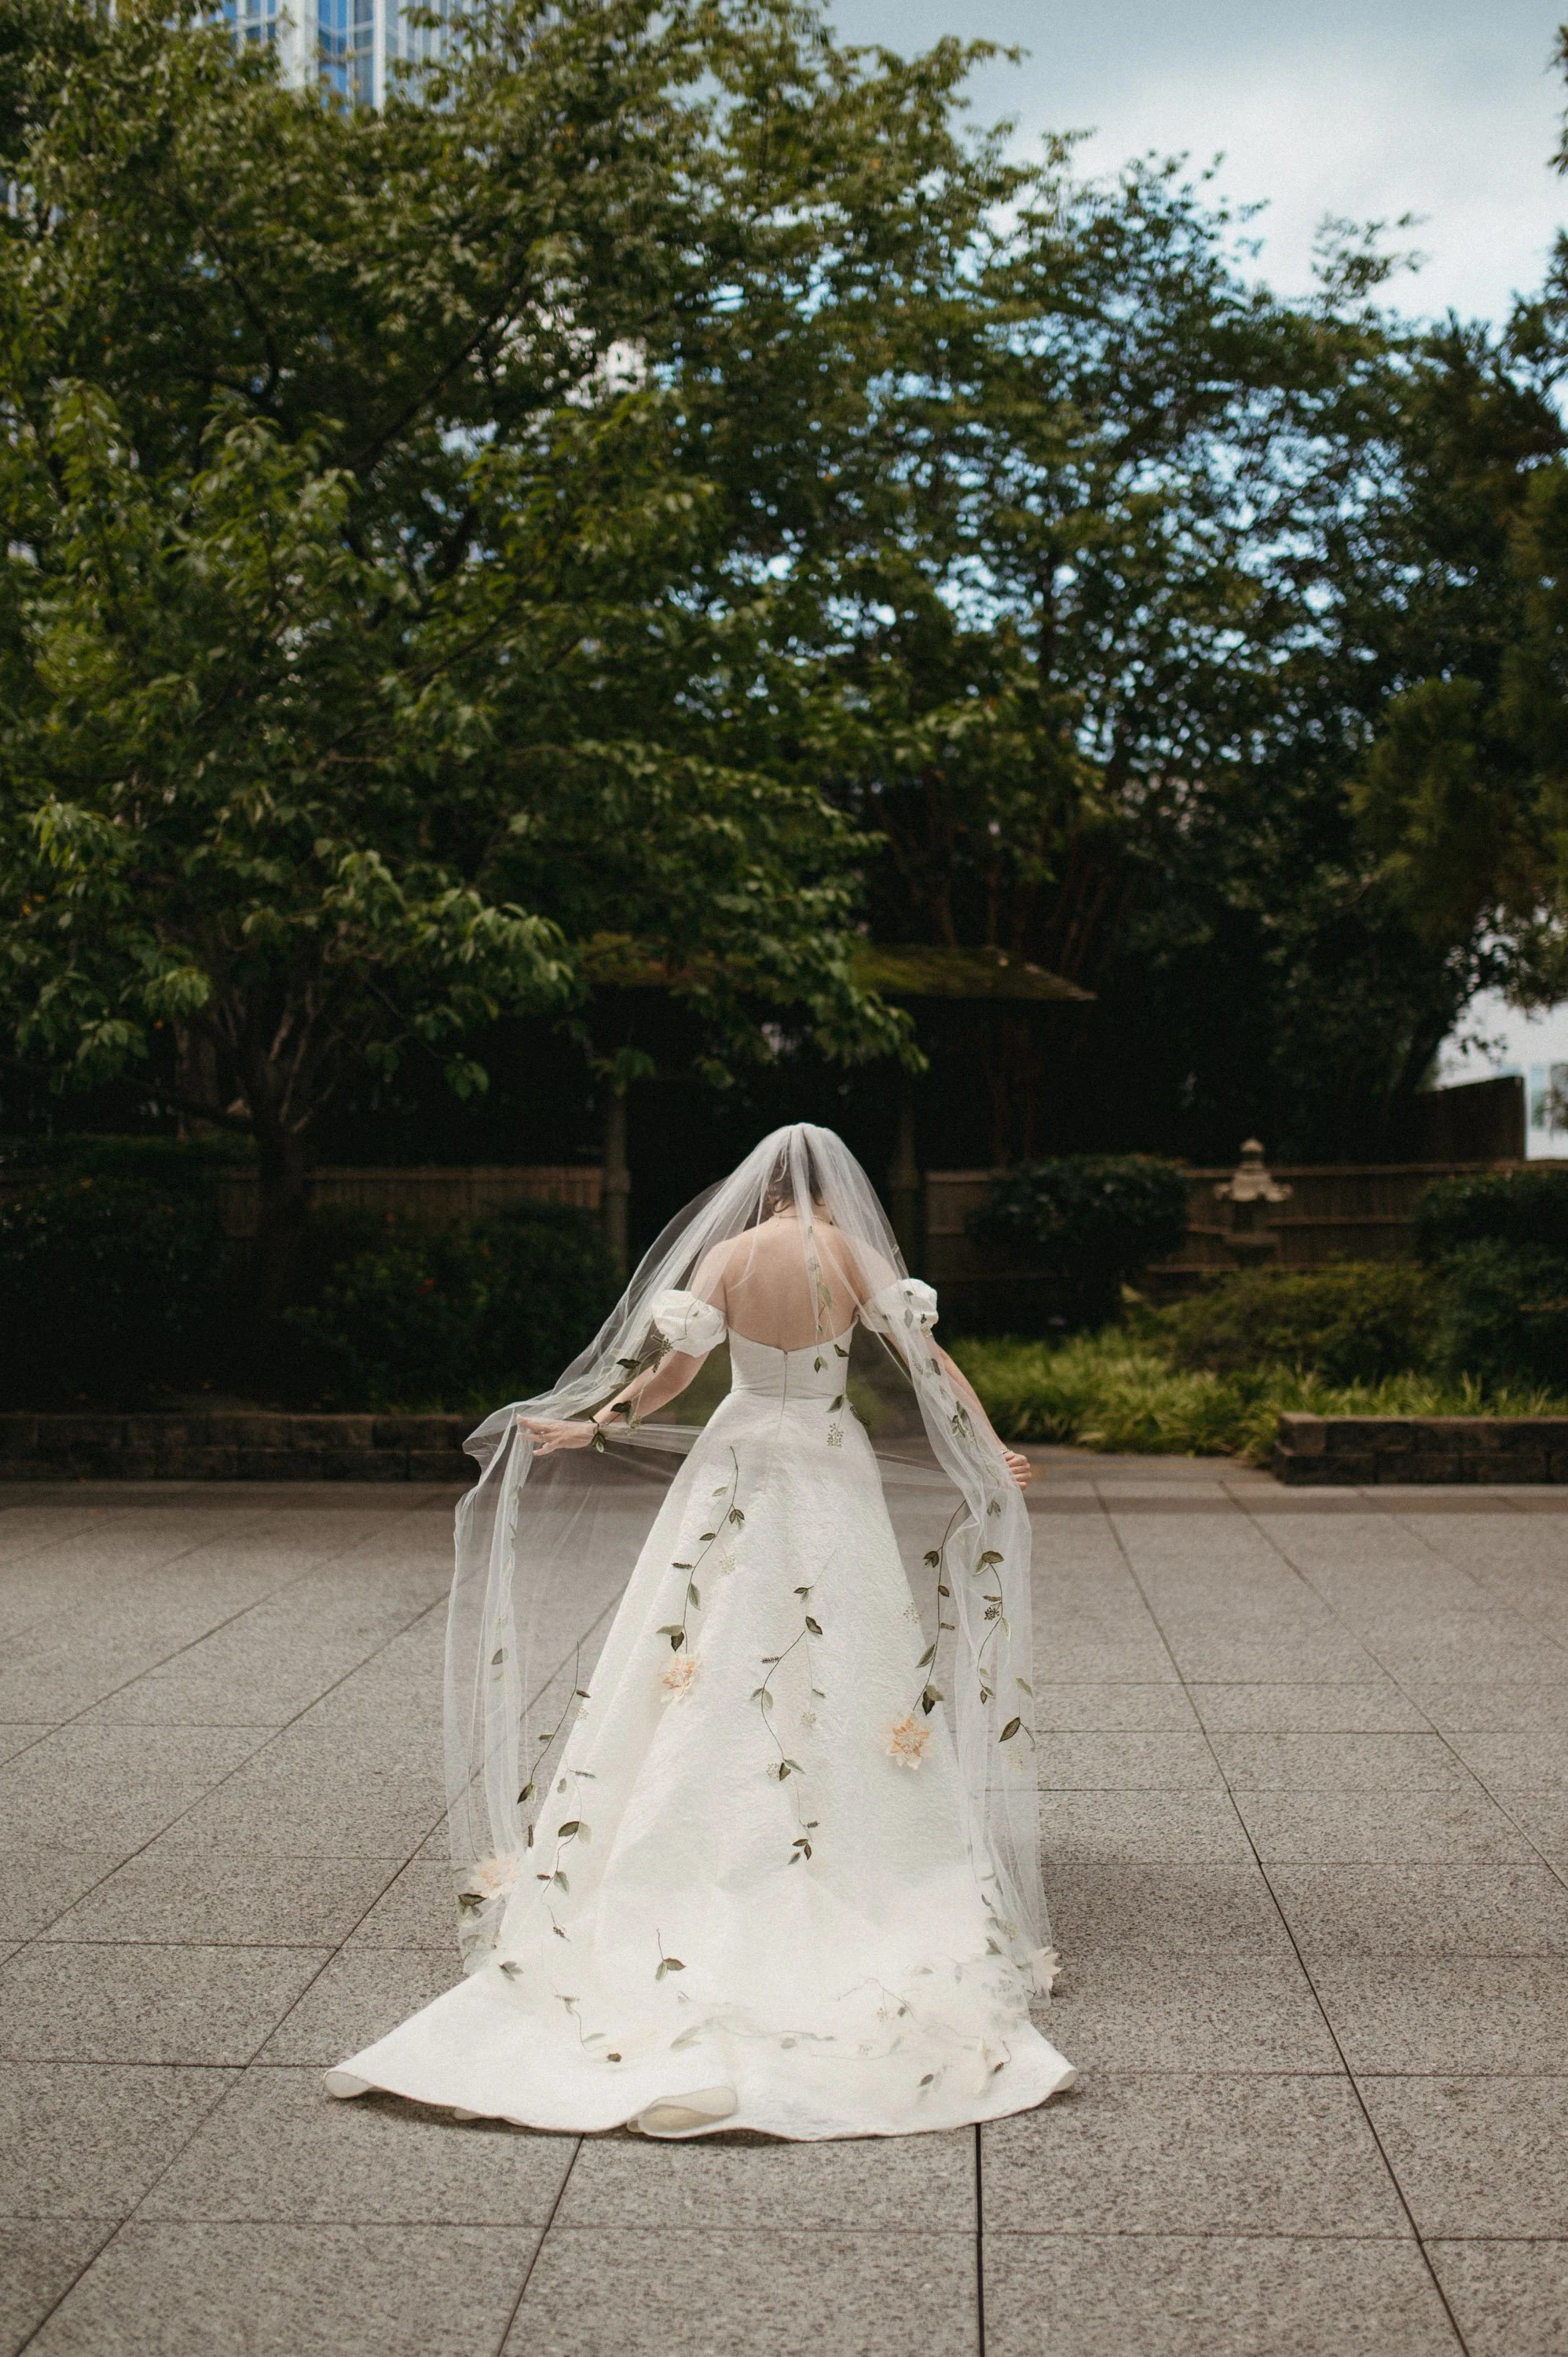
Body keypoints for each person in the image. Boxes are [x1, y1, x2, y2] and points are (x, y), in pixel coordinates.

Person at [325, 1123, 1074, 2139]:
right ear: (828, 1194)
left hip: (733, 1459)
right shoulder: (847, 1255)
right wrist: (989, 1448)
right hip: (823, 1456)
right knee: (843, 1645)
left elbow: (672, 1379)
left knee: (699, 1638)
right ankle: (840, 1833)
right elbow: (926, 1365)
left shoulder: (725, 1256)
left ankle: (679, 1826)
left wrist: (591, 1424)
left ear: (758, 1191)